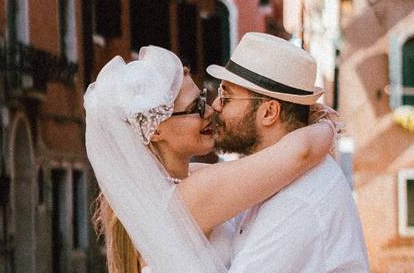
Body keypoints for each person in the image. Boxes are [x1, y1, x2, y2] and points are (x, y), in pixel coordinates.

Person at [84, 45, 339, 273]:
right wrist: (326, 124)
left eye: (204, 99)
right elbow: (302, 151)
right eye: (196, 107)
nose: (210, 111)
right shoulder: (189, 196)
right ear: (157, 130)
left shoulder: (170, 185)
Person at [206, 32, 370, 272]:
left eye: (226, 96)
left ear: (269, 112)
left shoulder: (297, 202)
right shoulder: (278, 177)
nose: (215, 106)